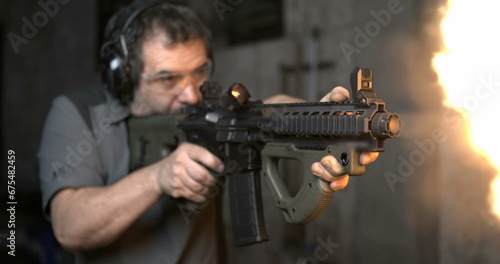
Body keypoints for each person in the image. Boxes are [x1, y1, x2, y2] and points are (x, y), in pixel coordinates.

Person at [38, 1, 379, 263]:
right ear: (122, 75)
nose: (190, 93)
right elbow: (69, 228)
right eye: (167, 79)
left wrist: (319, 118)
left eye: (199, 71)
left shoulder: (211, 111)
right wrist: (158, 177)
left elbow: (265, 111)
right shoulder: (75, 113)